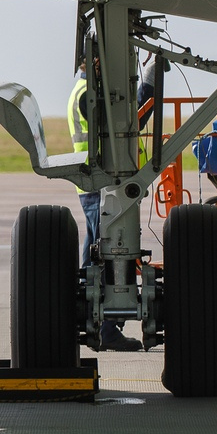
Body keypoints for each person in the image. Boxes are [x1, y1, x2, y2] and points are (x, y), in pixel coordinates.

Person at [68, 62, 142, 352]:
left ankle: (89, 321)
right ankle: (105, 328)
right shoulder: (89, 93)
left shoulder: (82, 89)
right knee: (108, 256)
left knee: (93, 254)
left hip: (93, 184)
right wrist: (146, 86)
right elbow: (118, 125)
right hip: (101, 184)